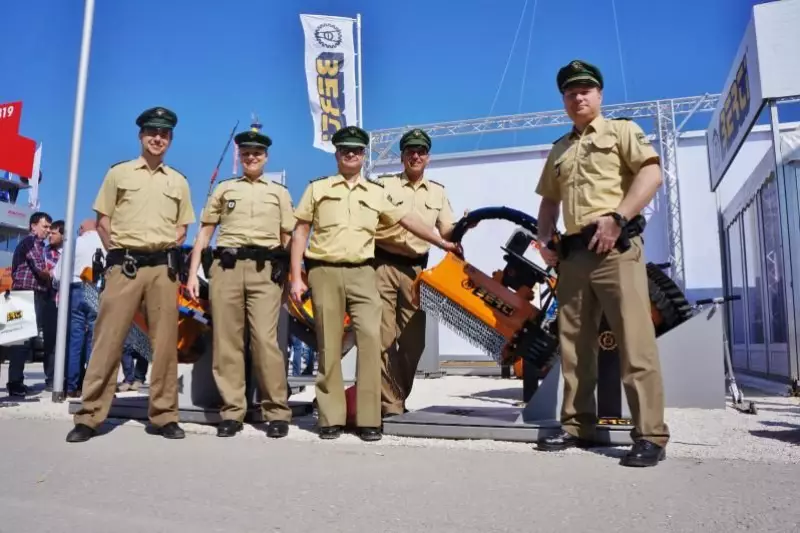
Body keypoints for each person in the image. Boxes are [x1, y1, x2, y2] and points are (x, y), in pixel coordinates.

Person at [533, 60, 669, 467]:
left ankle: (649, 435)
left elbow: (652, 175)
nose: (579, 96)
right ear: (563, 100)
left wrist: (619, 218)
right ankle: (578, 427)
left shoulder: (622, 132)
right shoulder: (559, 149)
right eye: (571, 92)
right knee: (574, 347)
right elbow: (549, 201)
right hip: (573, 257)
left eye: (586, 90)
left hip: (615, 250)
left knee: (634, 342)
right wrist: (544, 239)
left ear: (599, 95)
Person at [289, 125, 460, 442]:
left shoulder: (382, 192)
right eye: (344, 150)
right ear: (338, 154)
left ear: (364, 154)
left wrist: (444, 243)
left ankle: (378, 410)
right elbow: (300, 231)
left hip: (385, 271)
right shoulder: (324, 188)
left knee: (385, 342)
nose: (350, 154)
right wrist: (296, 276)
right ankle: (334, 417)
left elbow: (410, 221)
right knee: (340, 344)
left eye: (356, 150)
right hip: (346, 268)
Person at [66, 106, 196, 443]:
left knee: (165, 345)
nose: (157, 138)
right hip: (125, 266)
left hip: (162, 270)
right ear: (141, 135)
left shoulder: (179, 181)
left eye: (164, 133)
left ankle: (165, 415)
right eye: (152, 132)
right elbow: (103, 219)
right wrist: (117, 252)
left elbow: (182, 227)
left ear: (170, 138)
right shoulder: (118, 173)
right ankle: (90, 416)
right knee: (108, 340)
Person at [186, 128, 294, 439]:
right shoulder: (224, 189)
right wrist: (194, 273)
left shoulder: (279, 193)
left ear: (266, 157)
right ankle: (232, 411)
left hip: (265, 271)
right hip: (227, 269)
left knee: (265, 340)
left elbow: (288, 237)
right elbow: (205, 233)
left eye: (257, 153)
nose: (251, 158)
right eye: (246, 153)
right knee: (227, 341)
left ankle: (276, 411)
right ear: (239, 156)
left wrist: (290, 273)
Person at [373, 128, 456, 417]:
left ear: (428, 157)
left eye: (421, 151)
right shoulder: (383, 185)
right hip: (381, 265)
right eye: (410, 151)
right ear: (402, 156)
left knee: (413, 342)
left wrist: (464, 227)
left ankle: (396, 395)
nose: (415, 156)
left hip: (416, 270)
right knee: (381, 339)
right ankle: (391, 406)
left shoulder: (438, 192)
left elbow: (447, 230)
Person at [52, 218, 104, 397]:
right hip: (95, 289)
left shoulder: (74, 243)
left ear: (82, 228)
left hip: (75, 290)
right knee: (94, 340)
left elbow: (58, 275)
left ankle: (72, 386)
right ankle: (91, 385)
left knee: (75, 340)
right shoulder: (104, 242)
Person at [6, 211, 52, 396]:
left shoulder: (38, 245)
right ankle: (15, 383)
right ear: (33, 226)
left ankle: (16, 381)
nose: (48, 231)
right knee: (22, 341)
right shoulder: (31, 243)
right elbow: (41, 270)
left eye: (49, 227)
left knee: (24, 340)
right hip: (27, 294)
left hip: (29, 294)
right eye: (45, 226)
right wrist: (53, 277)